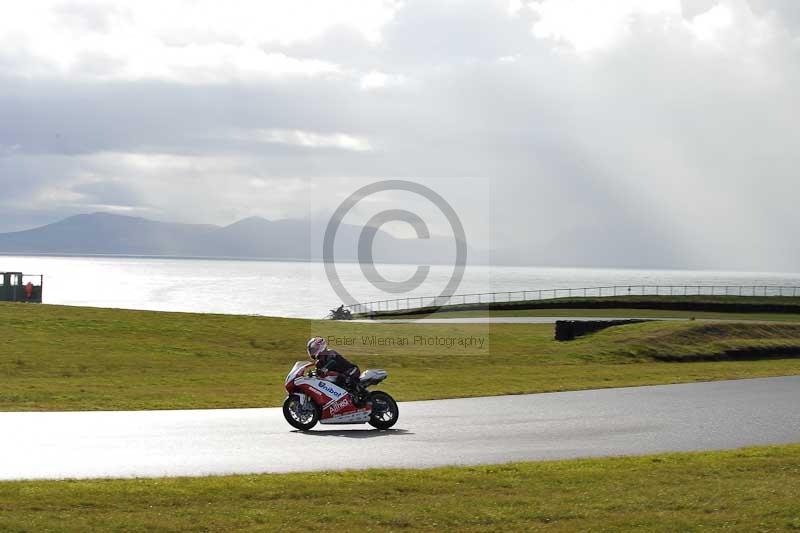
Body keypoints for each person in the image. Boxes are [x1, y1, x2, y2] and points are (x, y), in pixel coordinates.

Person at [306, 337, 365, 403]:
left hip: (352, 370)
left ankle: (363, 394)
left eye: (314, 349)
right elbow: (319, 373)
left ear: (321, 347)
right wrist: (312, 374)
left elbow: (332, 362)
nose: (312, 352)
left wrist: (324, 370)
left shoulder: (331, 353)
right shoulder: (318, 363)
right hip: (338, 375)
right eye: (311, 350)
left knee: (343, 379)